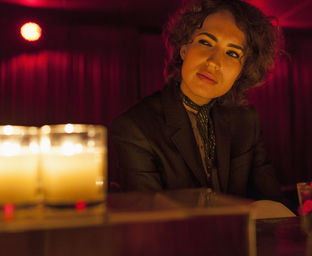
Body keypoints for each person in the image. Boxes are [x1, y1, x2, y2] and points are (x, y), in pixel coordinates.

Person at [110, 0, 290, 207]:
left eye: (232, 53)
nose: (213, 62)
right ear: (184, 49)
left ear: (242, 71)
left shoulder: (247, 120)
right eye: (206, 42)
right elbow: (150, 220)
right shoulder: (134, 128)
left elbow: (272, 204)